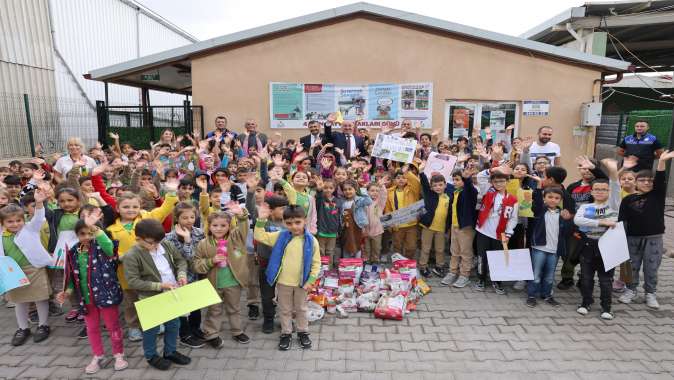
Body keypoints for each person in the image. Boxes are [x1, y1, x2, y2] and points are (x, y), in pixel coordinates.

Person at [107, 180, 179, 342]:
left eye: (134, 206)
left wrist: (172, 192)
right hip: (127, 273)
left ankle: (155, 321)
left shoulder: (147, 217)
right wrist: (123, 256)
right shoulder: (112, 230)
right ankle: (133, 327)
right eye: (126, 207)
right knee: (131, 301)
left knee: (152, 297)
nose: (131, 210)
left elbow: (164, 209)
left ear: (140, 206)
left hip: (150, 270)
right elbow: (111, 251)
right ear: (118, 208)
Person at [58, 212, 127, 374]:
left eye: (90, 233)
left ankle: (118, 354)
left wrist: (95, 228)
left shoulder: (102, 248)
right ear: (76, 235)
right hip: (86, 299)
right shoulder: (73, 252)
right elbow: (71, 277)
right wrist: (67, 292)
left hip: (107, 296)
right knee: (92, 329)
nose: (87, 236)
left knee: (113, 326)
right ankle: (98, 355)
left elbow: (110, 249)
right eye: (82, 233)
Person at [123, 219, 191, 370]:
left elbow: (180, 260)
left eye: (158, 242)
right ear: (138, 238)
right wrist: (160, 286)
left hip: (171, 294)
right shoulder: (132, 255)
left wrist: (181, 275)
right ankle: (151, 355)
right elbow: (133, 282)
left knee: (174, 324)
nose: (155, 246)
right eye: (150, 243)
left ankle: (170, 351)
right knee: (151, 330)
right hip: (150, 299)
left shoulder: (165, 244)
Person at [254, 204, 321, 351]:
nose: (294, 226)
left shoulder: (311, 241)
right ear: (284, 223)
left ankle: (303, 331)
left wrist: (310, 281)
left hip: (302, 284)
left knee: (301, 309)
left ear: (305, 220)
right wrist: (261, 220)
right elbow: (259, 236)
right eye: (289, 223)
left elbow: (317, 264)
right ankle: (286, 333)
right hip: (283, 283)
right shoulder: (280, 236)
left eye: (298, 222)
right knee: (284, 309)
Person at [618, 150, 674, 308]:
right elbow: (622, 220)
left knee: (651, 267)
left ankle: (650, 293)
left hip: (653, 238)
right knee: (629, 266)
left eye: (650, 180)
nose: (647, 183)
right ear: (635, 183)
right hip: (632, 238)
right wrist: (620, 239)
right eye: (642, 180)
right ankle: (629, 290)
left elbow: (661, 178)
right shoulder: (628, 199)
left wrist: (662, 161)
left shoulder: (656, 196)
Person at [2, 188, 52, 347]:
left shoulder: (31, 228)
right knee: (19, 301)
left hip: (34, 268)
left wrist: (38, 202)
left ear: (23, 219)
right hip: (13, 273)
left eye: (18, 220)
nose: (15, 224)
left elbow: (39, 217)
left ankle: (43, 325)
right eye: (10, 221)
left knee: (40, 297)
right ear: (2, 223)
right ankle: (23, 328)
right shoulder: (2, 235)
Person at [574, 178, 620, 320]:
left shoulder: (613, 206)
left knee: (606, 279)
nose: (600, 192)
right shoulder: (585, 207)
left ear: (609, 192)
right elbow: (578, 220)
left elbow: (616, 188)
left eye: (604, 189)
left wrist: (613, 172)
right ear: (592, 191)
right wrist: (602, 222)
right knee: (586, 277)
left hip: (608, 247)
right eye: (597, 189)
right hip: (588, 246)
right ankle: (586, 302)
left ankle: (606, 307)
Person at [163, 202, 206, 348]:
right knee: (182, 308)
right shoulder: (169, 238)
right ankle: (185, 335)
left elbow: (197, 257)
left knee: (196, 306)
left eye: (192, 217)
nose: (189, 220)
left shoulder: (199, 233)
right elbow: (186, 258)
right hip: (179, 277)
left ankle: (196, 329)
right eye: (185, 217)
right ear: (177, 218)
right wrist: (187, 240)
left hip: (196, 275)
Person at [526, 186, 572, 308]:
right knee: (536, 274)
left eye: (556, 198)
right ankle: (531, 295)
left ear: (560, 200)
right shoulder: (540, 210)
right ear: (544, 198)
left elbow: (567, 232)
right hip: (539, 248)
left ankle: (547, 295)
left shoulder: (562, 213)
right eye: (550, 197)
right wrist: (538, 189)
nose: (553, 200)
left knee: (549, 276)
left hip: (554, 250)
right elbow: (535, 205)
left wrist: (568, 220)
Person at [474, 170, 518, 295]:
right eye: (495, 181)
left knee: (498, 258)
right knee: (482, 257)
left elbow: (513, 219)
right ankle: (481, 279)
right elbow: (480, 176)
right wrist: (493, 169)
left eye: (502, 181)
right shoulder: (488, 192)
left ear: (507, 181)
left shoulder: (512, 200)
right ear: (491, 182)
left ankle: (497, 281)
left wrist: (509, 233)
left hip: (500, 234)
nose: (498, 184)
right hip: (483, 231)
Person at [252, 195, 288, 333]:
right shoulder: (264, 223)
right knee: (267, 295)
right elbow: (251, 209)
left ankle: (285, 319)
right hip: (266, 264)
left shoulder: (288, 222)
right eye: (282, 208)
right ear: (271, 211)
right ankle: (268, 319)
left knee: (284, 295)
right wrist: (251, 192)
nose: (285, 211)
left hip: (285, 265)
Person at [440, 168, 478, 288]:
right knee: (454, 251)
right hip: (455, 226)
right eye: (454, 180)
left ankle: (464, 275)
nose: (455, 182)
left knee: (465, 252)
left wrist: (467, 179)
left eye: (457, 180)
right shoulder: (455, 192)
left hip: (465, 227)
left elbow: (470, 189)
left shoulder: (470, 192)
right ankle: (452, 272)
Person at [418, 169, 453, 278]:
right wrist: (421, 172)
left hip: (441, 229)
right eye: (435, 185)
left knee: (440, 249)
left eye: (440, 185)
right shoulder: (430, 195)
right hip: (428, 227)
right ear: (431, 187)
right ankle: (423, 267)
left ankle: (439, 266)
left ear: (445, 185)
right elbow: (424, 183)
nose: (438, 187)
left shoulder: (449, 196)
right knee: (426, 248)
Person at [385, 168, 421, 259]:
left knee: (411, 247)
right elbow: (388, 209)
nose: (401, 179)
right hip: (397, 225)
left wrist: (407, 172)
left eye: (403, 177)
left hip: (411, 224)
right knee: (397, 246)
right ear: (394, 180)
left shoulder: (413, 190)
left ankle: (408, 263)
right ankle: (398, 263)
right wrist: (390, 223)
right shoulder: (390, 192)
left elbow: (416, 182)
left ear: (407, 179)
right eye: (398, 178)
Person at [313, 177, 342, 268]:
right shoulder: (320, 200)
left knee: (330, 251)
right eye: (325, 188)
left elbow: (339, 217)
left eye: (331, 188)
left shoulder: (338, 201)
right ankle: (321, 268)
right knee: (321, 250)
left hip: (333, 232)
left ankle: (329, 268)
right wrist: (319, 190)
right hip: (321, 230)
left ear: (334, 189)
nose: (328, 190)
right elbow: (319, 196)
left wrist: (338, 230)